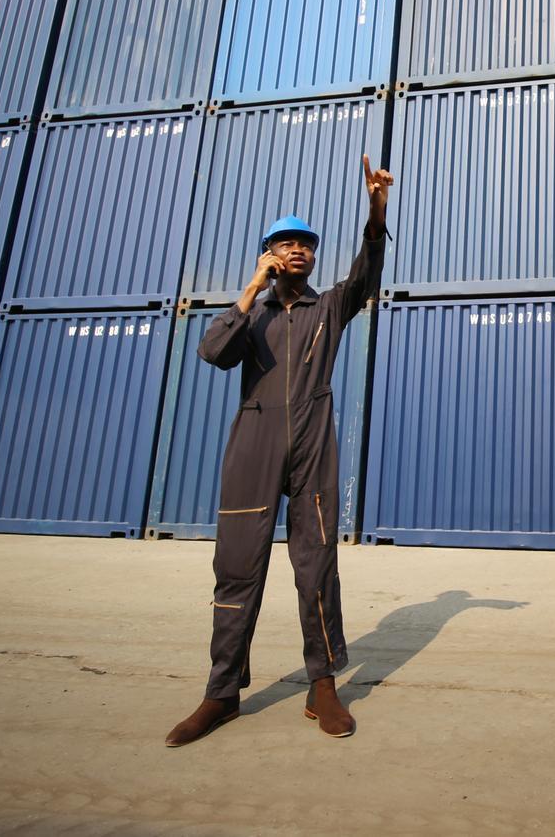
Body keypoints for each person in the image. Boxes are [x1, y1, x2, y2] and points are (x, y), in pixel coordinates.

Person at [166, 155, 395, 747]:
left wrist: (376, 208)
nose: (298, 251)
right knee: (237, 568)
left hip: (312, 442)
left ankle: (323, 687)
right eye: (286, 243)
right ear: (268, 253)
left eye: (306, 244)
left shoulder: (329, 307)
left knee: (316, 566)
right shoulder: (253, 316)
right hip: (255, 441)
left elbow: (367, 271)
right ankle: (221, 693)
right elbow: (213, 354)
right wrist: (248, 291)